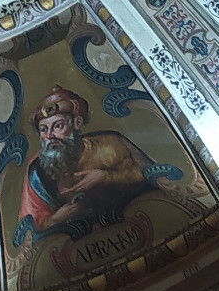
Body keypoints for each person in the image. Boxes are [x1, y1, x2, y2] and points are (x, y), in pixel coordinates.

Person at [19, 85, 155, 232]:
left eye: (57, 126)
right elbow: (30, 229)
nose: (49, 136)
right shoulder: (37, 171)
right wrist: (55, 220)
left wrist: (105, 177)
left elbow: (152, 176)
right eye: (44, 129)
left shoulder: (111, 145)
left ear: (76, 123)